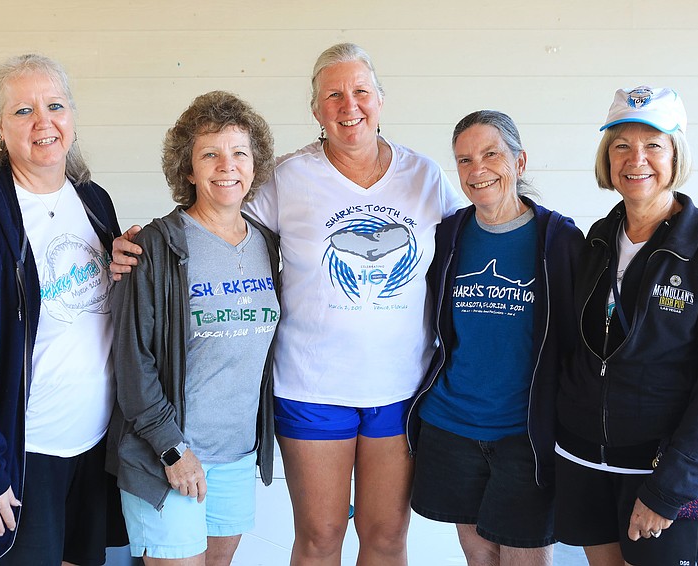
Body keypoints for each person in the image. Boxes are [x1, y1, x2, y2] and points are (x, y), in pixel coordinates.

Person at [111, 43, 465, 565]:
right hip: (311, 387)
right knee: (321, 538)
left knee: (387, 537)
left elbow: (473, 237)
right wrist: (133, 247)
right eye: (333, 95)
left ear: (381, 100)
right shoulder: (286, 176)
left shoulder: (425, 176)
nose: (350, 106)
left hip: (399, 388)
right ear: (316, 110)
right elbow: (214, 213)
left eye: (361, 92)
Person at [0, 54, 124, 565]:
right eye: (22, 111)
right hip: (18, 460)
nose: (43, 122)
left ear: (72, 117)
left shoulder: (94, 202)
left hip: (92, 447)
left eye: (55, 106)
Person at [553, 86, 698, 566]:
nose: (636, 159)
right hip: (584, 461)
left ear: (676, 153)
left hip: (658, 471)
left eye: (653, 144)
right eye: (621, 144)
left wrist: (670, 488)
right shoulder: (598, 238)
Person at [105, 91, 280, 565]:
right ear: (188, 170)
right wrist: (171, 449)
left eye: (239, 152)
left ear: (254, 165)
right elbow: (131, 360)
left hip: (237, 455)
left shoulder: (268, 243)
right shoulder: (156, 248)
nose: (228, 165)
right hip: (169, 455)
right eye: (211, 154)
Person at [406, 110, 583, 566]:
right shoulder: (449, 234)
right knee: (478, 555)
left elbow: (576, 340)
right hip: (453, 424)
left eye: (491, 154)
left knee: (525, 558)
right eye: (464, 160)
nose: (477, 170)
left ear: (519, 162)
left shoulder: (559, 239)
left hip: (524, 433)